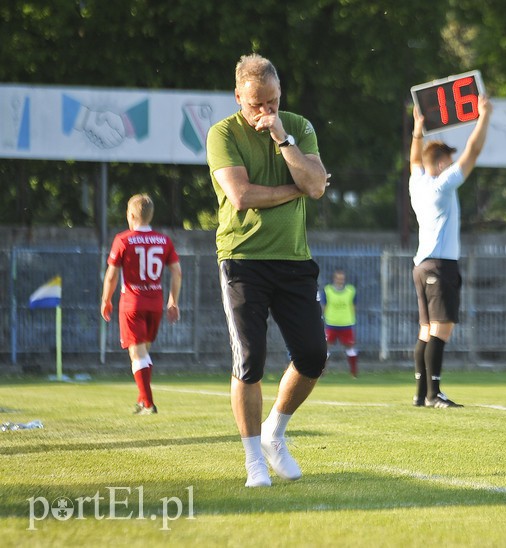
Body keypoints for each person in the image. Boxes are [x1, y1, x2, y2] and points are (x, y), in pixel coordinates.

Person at [206, 53, 329, 487]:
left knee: (314, 356)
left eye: (272, 102)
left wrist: (282, 138)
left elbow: (315, 186)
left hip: (294, 259)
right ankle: (253, 459)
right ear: (238, 95)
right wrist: (293, 190)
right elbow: (240, 195)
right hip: (242, 259)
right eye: (257, 104)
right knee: (251, 361)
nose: (266, 111)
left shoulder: (298, 125)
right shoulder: (222, 133)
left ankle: (274, 434)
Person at [409, 96, 493, 408]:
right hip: (439, 265)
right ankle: (434, 394)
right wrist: (483, 118)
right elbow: (473, 152)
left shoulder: (416, 183)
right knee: (441, 331)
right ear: (442, 163)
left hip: (421, 265)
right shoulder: (440, 185)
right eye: (448, 159)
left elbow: (413, 160)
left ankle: (421, 395)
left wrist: (418, 130)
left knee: (427, 330)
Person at [100, 193, 182, 415]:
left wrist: (106, 299)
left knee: (138, 355)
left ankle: (148, 403)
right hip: (155, 303)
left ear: (132, 214)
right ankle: (141, 399)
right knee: (143, 353)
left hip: (132, 303)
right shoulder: (164, 240)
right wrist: (173, 300)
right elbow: (177, 272)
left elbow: (111, 276)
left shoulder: (123, 239)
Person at [320, 269, 359, 377]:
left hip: (346, 324)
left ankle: (354, 372)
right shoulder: (327, 290)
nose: (340, 281)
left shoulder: (351, 291)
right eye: (338, 278)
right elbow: (324, 306)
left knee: (350, 348)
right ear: (334, 279)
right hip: (331, 324)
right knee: (325, 348)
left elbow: (354, 306)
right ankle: (322, 371)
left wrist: (352, 318)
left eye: (342, 279)